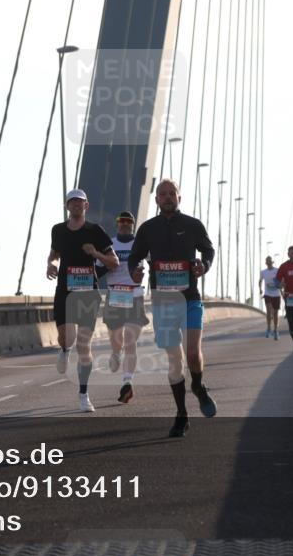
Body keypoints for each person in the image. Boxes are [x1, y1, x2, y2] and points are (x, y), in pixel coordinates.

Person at [128, 179, 217, 438]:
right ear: (156, 199)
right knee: (175, 360)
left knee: (192, 353)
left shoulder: (192, 225)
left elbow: (208, 250)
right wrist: (135, 270)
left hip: (190, 299)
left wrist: (204, 265)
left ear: (179, 197)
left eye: (171, 193)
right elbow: (134, 256)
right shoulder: (147, 229)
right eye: (162, 194)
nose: (167, 197)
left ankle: (198, 387)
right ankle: (182, 414)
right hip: (163, 303)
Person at [47, 189, 118, 412]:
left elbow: (114, 262)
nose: (76, 205)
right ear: (67, 206)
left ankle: (83, 394)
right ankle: (64, 350)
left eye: (80, 202)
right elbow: (54, 254)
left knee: (84, 345)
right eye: (72, 202)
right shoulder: (58, 230)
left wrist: (96, 254)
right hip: (65, 292)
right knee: (66, 338)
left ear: (86, 206)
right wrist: (51, 264)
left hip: (88, 293)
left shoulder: (95, 231)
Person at [96, 211, 149, 404]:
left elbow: (155, 262)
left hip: (134, 294)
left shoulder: (140, 244)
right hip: (115, 294)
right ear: (117, 224)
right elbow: (97, 269)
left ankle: (127, 381)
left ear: (133, 225)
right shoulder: (109, 245)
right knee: (116, 338)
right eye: (121, 221)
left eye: (128, 222)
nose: (125, 224)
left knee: (130, 340)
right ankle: (115, 353)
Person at [259, 255, 281, 339]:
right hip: (267, 294)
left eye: (269, 261)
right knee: (268, 310)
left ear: (272, 262)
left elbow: (281, 280)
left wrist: (281, 286)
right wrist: (260, 289)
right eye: (267, 261)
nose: (268, 262)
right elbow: (260, 280)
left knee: (275, 313)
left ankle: (275, 330)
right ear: (266, 263)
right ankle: (268, 328)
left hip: (276, 294)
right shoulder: (263, 272)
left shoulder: (277, 270)